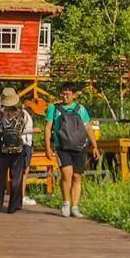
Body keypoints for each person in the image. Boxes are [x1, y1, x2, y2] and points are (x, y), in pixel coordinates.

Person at [0, 86, 34, 214]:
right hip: (18, 148)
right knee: (16, 177)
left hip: (2, 147)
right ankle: (14, 205)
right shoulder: (22, 113)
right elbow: (23, 129)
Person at [48, 82, 95, 218]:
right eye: (63, 93)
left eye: (68, 93)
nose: (65, 95)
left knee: (77, 176)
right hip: (62, 147)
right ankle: (66, 203)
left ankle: (75, 207)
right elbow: (47, 128)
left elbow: (88, 127)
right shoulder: (54, 109)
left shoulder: (81, 109)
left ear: (74, 95)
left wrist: (95, 145)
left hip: (80, 147)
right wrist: (48, 147)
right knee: (66, 175)